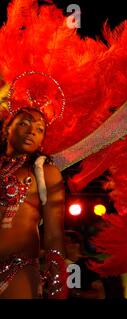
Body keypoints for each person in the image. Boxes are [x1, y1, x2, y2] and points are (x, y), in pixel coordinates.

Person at [0, 73, 67, 298]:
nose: (32, 131)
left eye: (39, 129)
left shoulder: (44, 171)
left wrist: (57, 283)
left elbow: (54, 234)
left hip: (17, 269)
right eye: (25, 124)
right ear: (7, 127)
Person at [64, 230, 106, 299]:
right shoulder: (60, 265)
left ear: (76, 245)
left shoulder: (88, 263)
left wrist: (76, 293)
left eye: (66, 242)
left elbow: (99, 293)